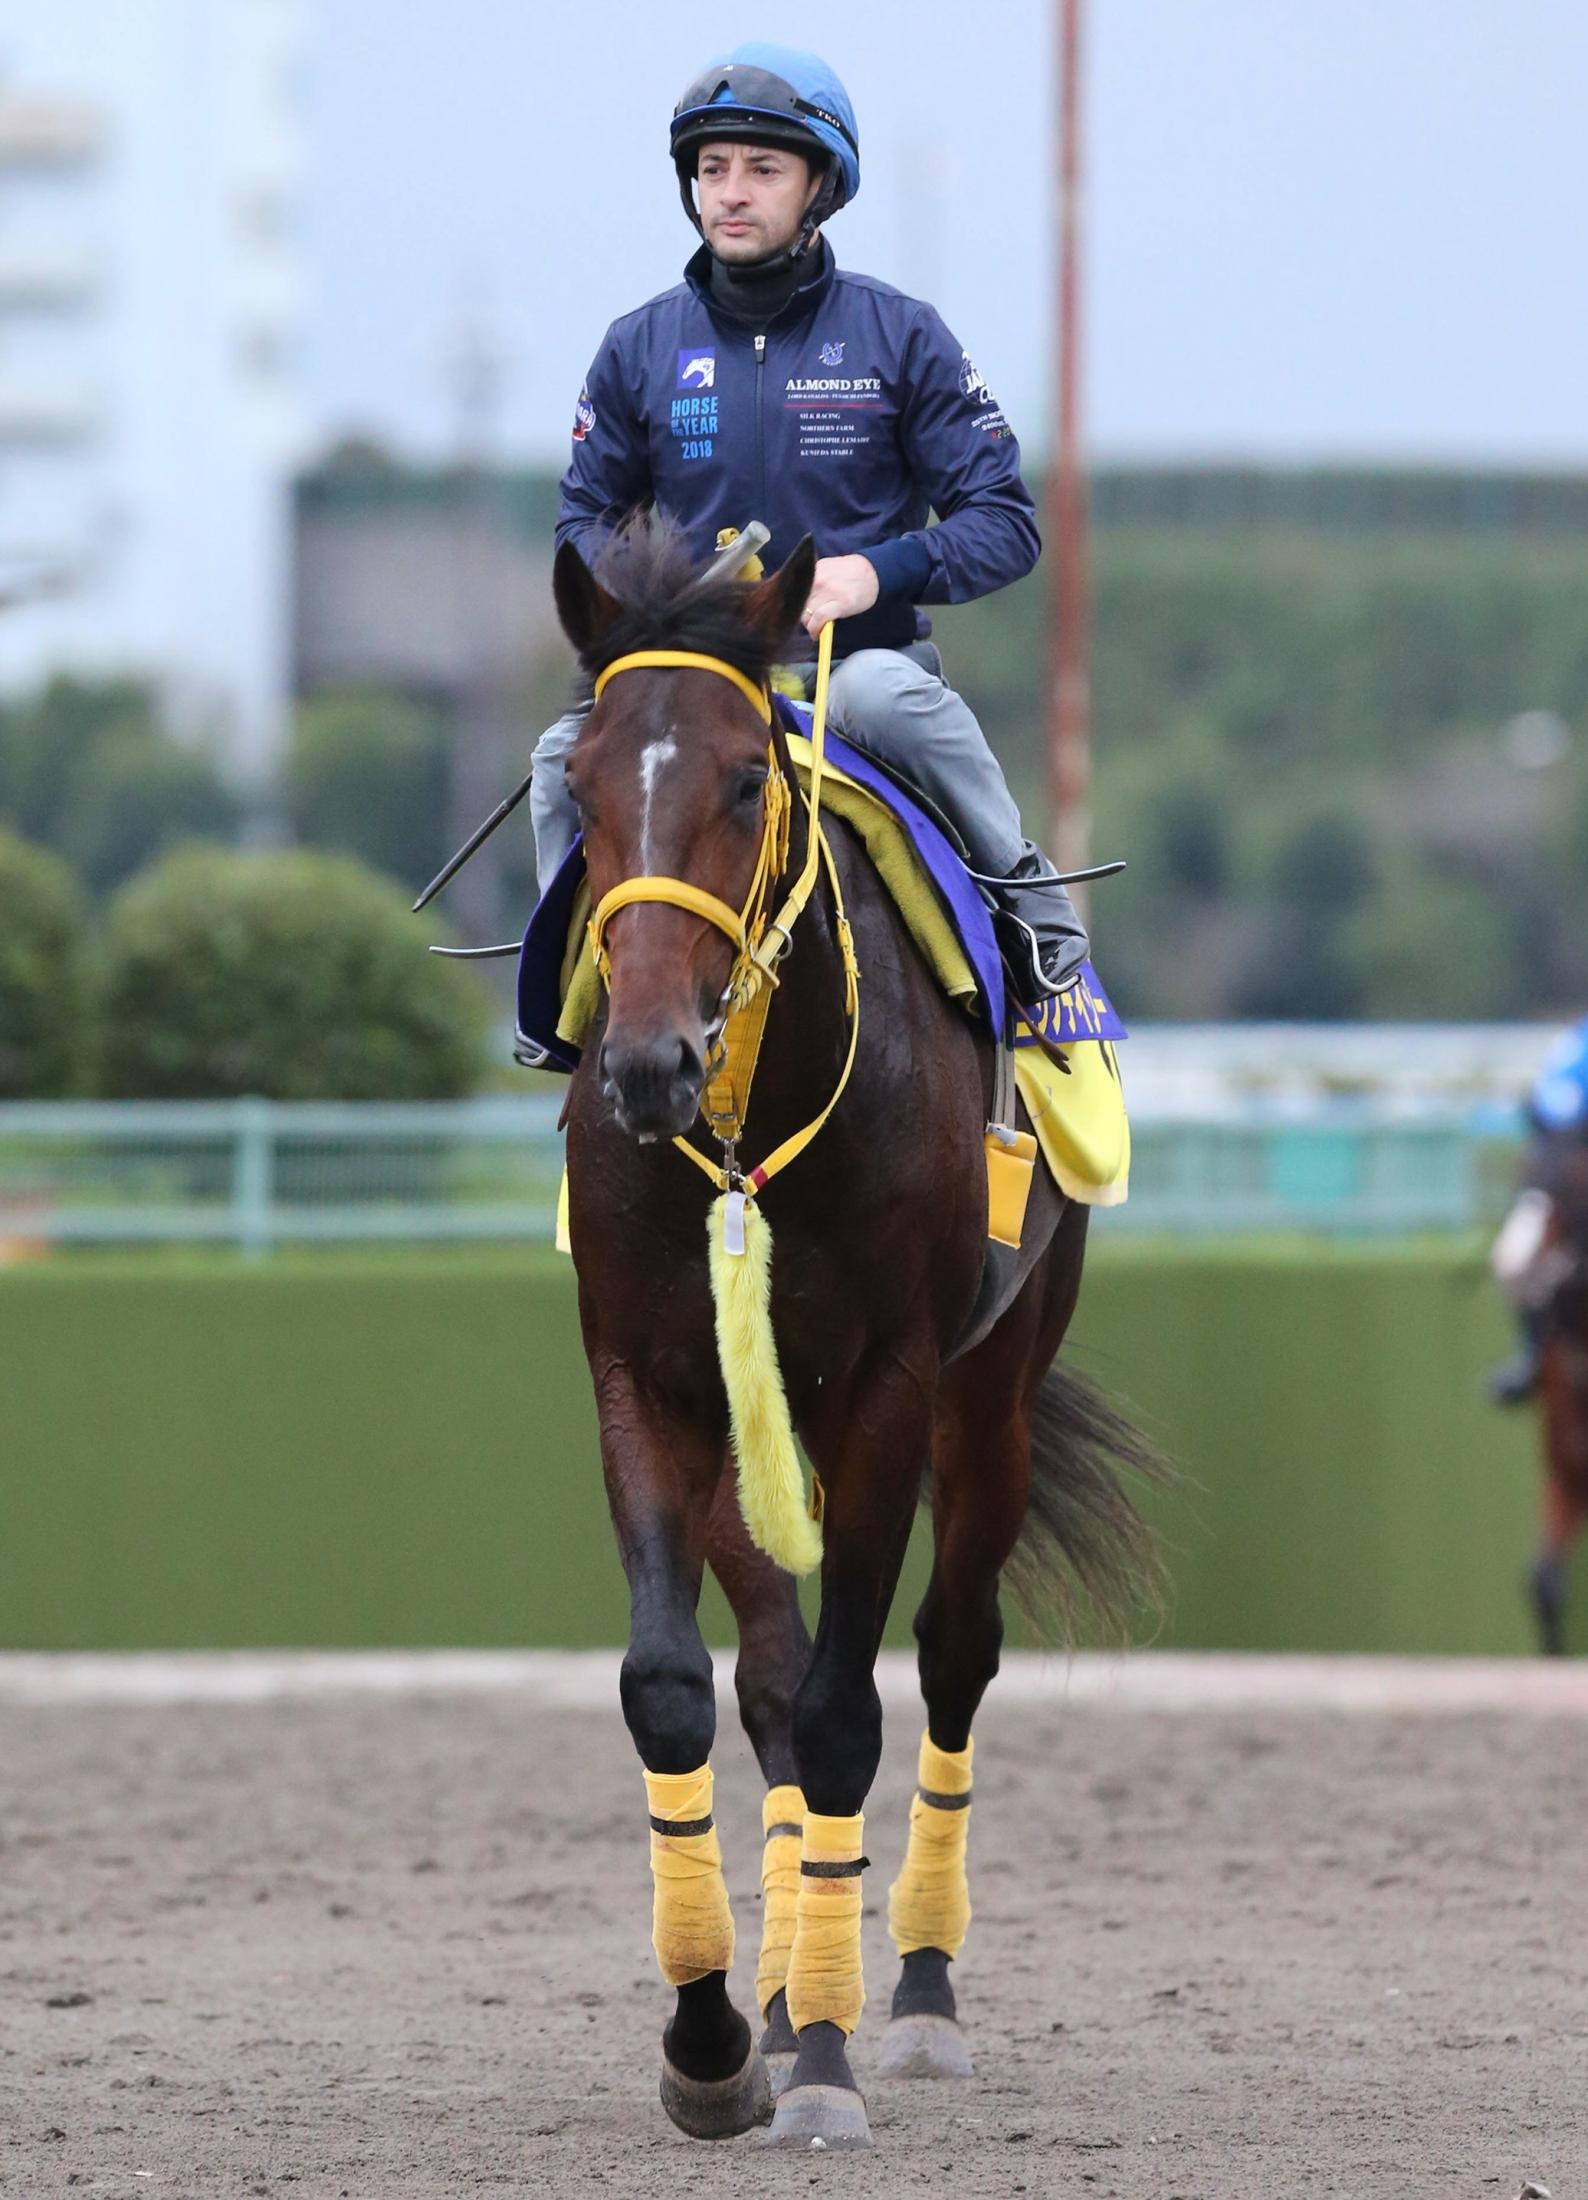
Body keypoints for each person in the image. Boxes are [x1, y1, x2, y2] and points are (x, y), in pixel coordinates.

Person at [526, 41, 1087, 1043]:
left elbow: (1005, 521)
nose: (730, 193)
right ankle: (575, 988)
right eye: (711, 169)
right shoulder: (635, 348)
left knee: (881, 695)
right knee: (559, 754)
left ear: (819, 185)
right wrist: (647, 597)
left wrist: (874, 569)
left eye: (761, 169)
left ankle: (1030, 908)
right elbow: (582, 520)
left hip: (856, 670)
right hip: (695, 680)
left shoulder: (903, 337)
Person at [1488, 1013, 1588, 1405]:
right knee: (1512, 1261)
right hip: (1561, 1189)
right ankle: (1531, 1356)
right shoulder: (1575, 1045)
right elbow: (1551, 1110)